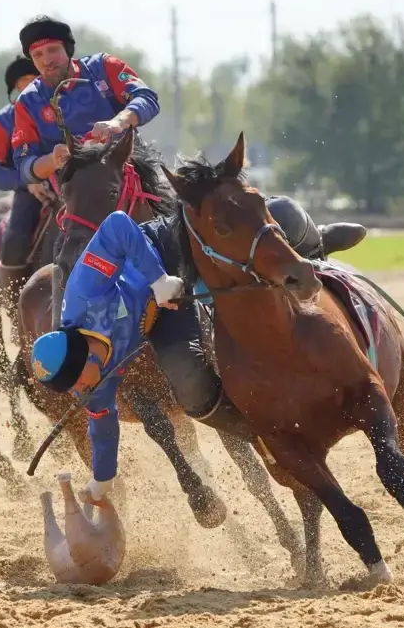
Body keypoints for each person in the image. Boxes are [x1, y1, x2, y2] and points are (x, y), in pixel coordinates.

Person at [30, 210, 247, 515]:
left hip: (159, 255)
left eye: (77, 381)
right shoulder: (91, 383)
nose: (79, 391)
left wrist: (158, 279)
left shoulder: (85, 290)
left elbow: (117, 224)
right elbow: (102, 425)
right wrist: (102, 478)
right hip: (158, 312)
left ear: (84, 355)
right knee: (188, 376)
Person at [8, 16, 160, 303]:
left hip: (131, 179)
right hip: (73, 196)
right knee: (55, 258)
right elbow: (24, 166)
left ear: (67, 49)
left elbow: (147, 98)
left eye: (52, 50)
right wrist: (51, 161)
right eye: (37, 55)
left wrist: (118, 122)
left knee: (184, 222)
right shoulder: (28, 102)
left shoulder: (103, 68)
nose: (46, 60)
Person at [0, 55, 52, 340]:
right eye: (22, 86)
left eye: (34, 83)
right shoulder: (2, 122)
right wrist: (27, 182)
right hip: (28, 193)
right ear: (13, 91)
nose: (29, 90)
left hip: (70, 187)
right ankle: (17, 316)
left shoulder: (59, 111)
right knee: (14, 241)